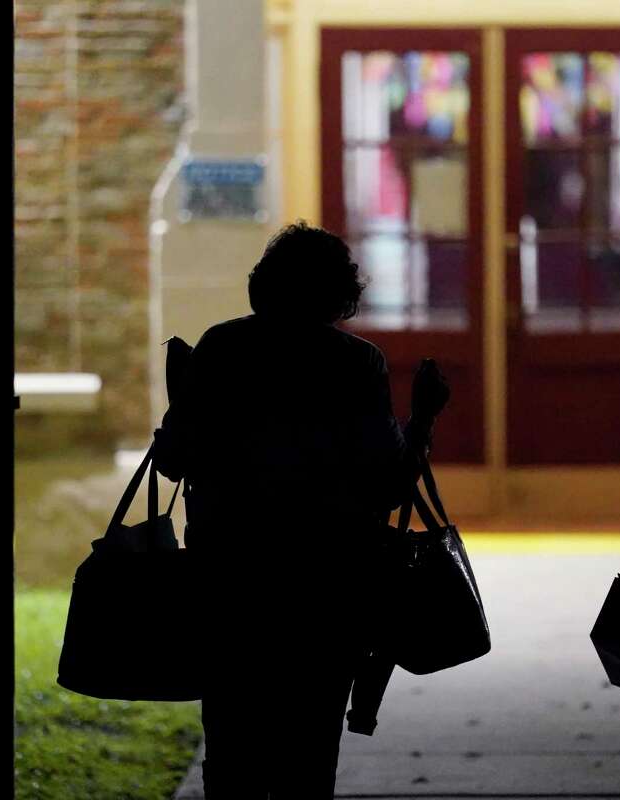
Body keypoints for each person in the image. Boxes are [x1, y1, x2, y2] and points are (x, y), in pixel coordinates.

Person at [154, 221, 450, 798]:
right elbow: (388, 485)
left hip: (231, 578)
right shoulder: (356, 364)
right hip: (328, 584)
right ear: (339, 293)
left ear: (263, 284)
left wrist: (183, 399)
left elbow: (172, 461)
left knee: (232, 748)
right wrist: (424, 419)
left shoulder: (221, 347)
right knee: (310, 756)